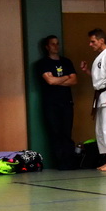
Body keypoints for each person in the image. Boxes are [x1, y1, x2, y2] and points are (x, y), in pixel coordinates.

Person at [81, 29, 106, 171]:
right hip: (101, 96)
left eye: (93, 41)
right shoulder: (100, 57)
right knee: (101, 130)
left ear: (101, 40)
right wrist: (87, 71)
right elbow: (100, 79)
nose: (90, 44)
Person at [36, 35, 77, 170]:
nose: (56, 46)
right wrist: (66, 77)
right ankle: (60, 163)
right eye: (53, 44)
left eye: (57, 43)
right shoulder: (43, 63)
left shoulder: (66, 62)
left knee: (67, 133)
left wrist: (58, 80)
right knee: (55, 133)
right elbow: (50, 81)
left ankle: (69, 162)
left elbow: (74, 80)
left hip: (66, 102)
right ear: (47, 47)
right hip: (51, 104)